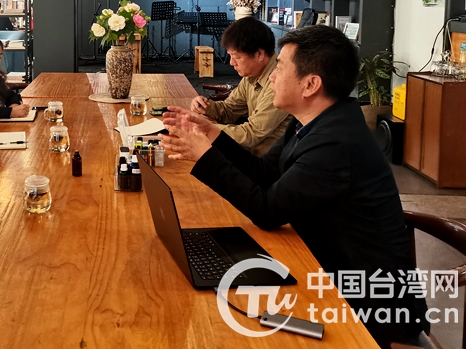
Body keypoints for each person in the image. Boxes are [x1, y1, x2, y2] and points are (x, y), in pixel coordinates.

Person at [161, 26, 427, 348]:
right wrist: (213, 135)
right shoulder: (311, 121)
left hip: (367, 304)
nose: (272, 77)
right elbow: (264, 172)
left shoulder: (337, 143)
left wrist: (204, 157)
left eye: (281, 68)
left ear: (311, 84)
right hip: (323, 267)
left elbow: (267, 211)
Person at [190, 17, 290, 155]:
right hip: (249, 155)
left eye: (236, 57)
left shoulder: (280, 81)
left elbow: (251, 134)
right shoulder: (252, 74)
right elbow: (229, 111)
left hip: (267, 162)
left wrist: (207, 128)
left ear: (259, 54)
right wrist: (204, 106)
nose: (231, 63)